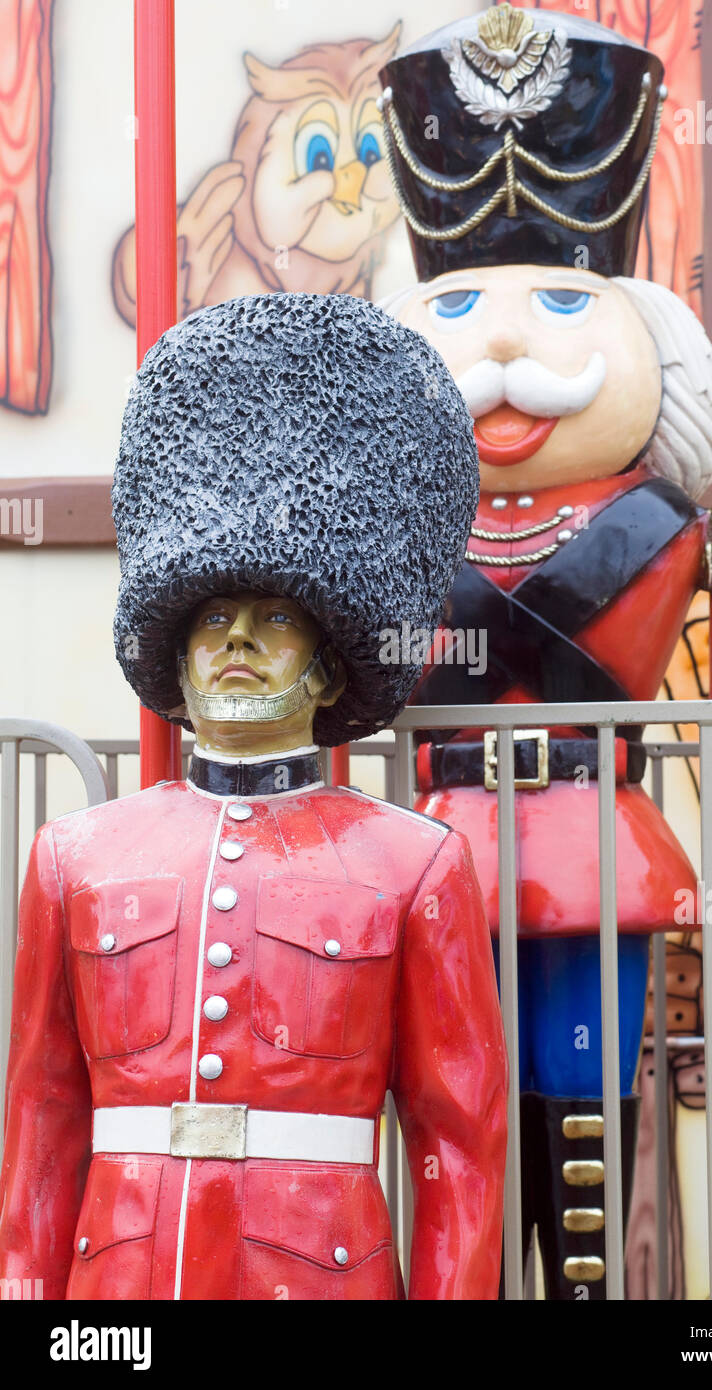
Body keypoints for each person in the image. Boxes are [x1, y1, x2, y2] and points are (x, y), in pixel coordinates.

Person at [378, 5, 712, 1299]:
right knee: (451, 1086)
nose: (503, 348)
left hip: (589, 834)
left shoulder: (658, 524)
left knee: (583, 1079)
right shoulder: (397, 528)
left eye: (559, 300)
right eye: (458, 307)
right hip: (434, 843)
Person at [0, 292, 507, 1301]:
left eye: (274, 616)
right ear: (175, 651)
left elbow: (460, 1142)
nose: (234, 639)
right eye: (213, 614)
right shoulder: (75, 857)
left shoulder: (414, 864)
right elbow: (43, 1127)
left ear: (326, 669)